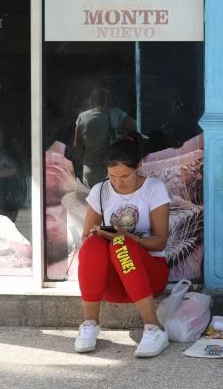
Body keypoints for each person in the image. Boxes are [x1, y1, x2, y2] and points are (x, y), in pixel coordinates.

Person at [73, 136, 172, 358]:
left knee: (121, 244)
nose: (118, 183)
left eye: (125, 176)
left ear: (138, 167)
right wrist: (99, 234)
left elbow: (160, 241)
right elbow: (86, 237)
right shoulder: (100, 190)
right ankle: (90, 324)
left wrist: (129, 237)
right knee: (92, 245)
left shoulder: (153, 189)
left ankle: (154, 328)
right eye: (113, 177)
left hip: (148, 275)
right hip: (113, 284)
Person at [74, 88, 138, 188]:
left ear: (91, 101)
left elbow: (77, 147)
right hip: (111, 170)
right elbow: (136, 126)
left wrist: (86, 163)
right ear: (106, 100)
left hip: (89, 171)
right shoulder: (115, 113)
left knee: (94, 200)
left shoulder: (82, 117)